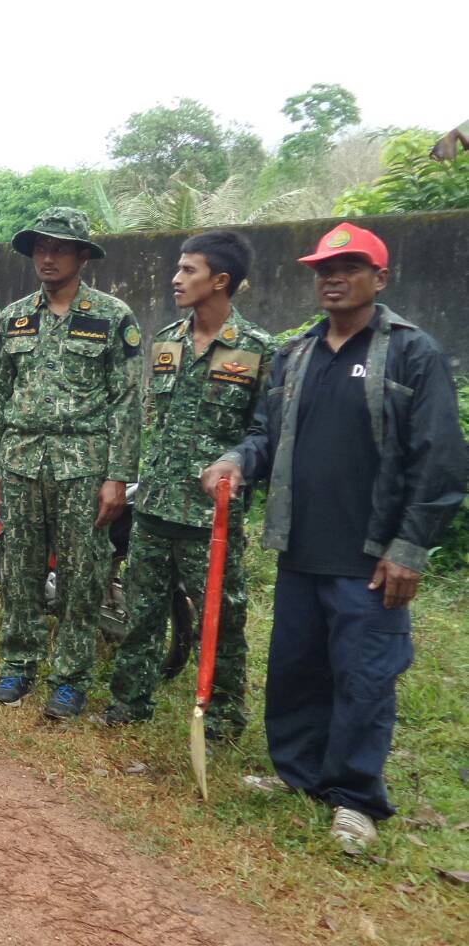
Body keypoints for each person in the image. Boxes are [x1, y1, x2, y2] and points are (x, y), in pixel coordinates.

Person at [204, 222, 467, 853]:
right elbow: (267, 434)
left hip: (369, 556)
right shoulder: (297, 353)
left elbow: (439, 459)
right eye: (324, 270)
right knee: (297, 667)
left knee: (364, 677)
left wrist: (409, 548)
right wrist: (238, 460)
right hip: (300, 546)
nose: (333, 279)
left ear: (380, 277)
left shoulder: (411, 353)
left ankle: (354, 797)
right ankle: (298, 771)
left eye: (348, 268)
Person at [0, 207, 142, 719]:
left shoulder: (112, 316)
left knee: (82, 574)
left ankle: (70, 678)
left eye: (60, 248)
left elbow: (127, 401)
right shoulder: (13, 317)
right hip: (21, 461)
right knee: (19, 566)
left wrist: (118, 475)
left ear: (82, 256)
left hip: (84, 466)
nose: (48, 257)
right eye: (41, 248)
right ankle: (18, 664)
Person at [107, 231, 273, 739]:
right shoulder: (168, 340)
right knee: (142, 610)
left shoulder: (258, 350)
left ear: (220, 280)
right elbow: (152, 418)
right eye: (178, 269)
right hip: (155, 504)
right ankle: (129, 702)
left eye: (188, 270)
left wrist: (235, 470)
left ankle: (222, 719)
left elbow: (266, 434)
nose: (176, 279)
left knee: (221, 620)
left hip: (210, 518)